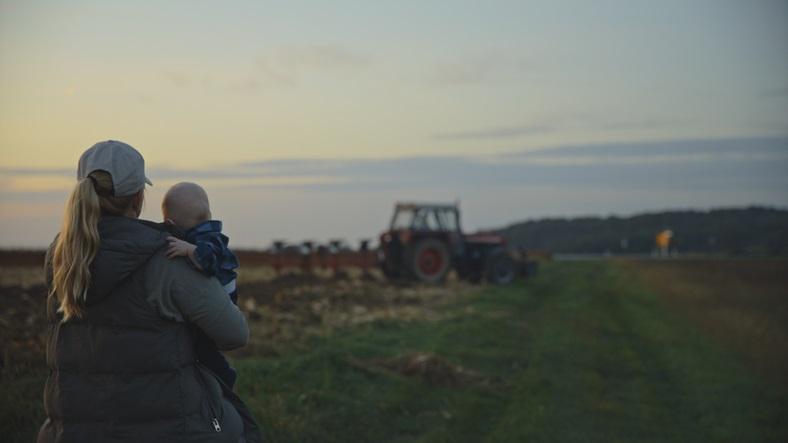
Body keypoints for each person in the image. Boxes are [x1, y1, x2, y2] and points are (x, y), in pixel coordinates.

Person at [37, 140, 262, 443]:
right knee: (237, 425)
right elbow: (235, 334)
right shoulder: (164, 257)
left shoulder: (61, 258)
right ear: (138, 198)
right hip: (171, 430)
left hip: (70, 431)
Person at [162, 182, 240, 389]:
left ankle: (225, 377)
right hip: (223, 296)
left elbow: (208, 262)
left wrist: (189, 250)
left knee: (205, 348)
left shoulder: (206, 240)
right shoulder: (205, 234)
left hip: (225, 298)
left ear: (169, 222)